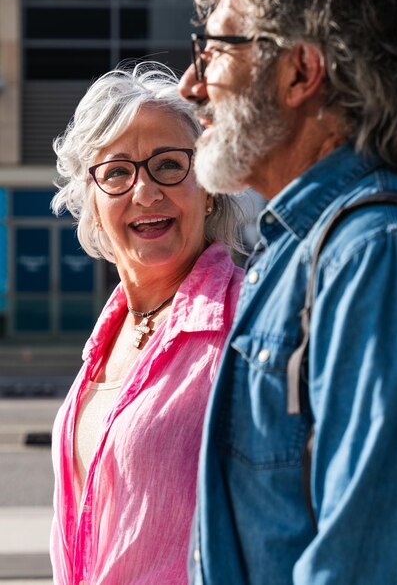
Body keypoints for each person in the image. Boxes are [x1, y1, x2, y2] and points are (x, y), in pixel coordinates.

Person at [177, 0, 397, 584]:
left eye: (216, 50)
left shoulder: (381, 258)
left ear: (301, 71)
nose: (193, 83)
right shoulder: (297, 247)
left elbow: (366, 567)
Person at [49, 62, 244, 585]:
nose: (144, 192)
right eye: (116, 172)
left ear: (210, 186)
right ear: (91, 202)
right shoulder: (107, 337)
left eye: (168, 165)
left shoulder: (249, 323)